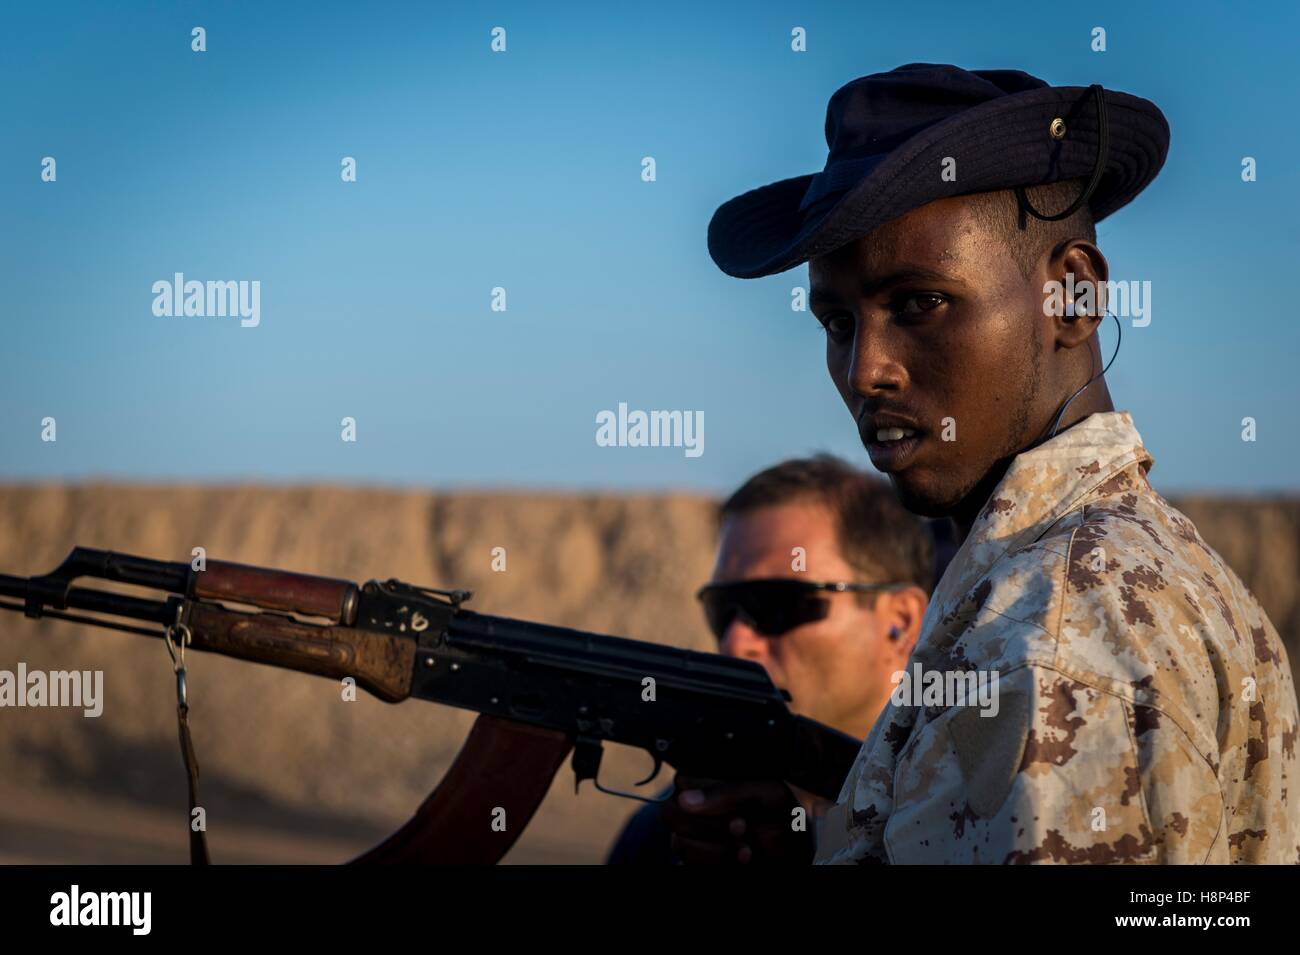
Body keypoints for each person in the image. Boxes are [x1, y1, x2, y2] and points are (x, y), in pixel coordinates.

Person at [663, 63, 1300, 863]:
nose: (866, 370)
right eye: (836, 320)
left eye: (918, 303)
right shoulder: (1135, 567)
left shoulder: (1053, 636)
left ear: (1071, 296)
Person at [606, 454, 936, 863]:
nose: (737, 640)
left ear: (900, 623)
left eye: (776, 605)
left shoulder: (968, 807)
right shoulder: (678, 831)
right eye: (723, 610)